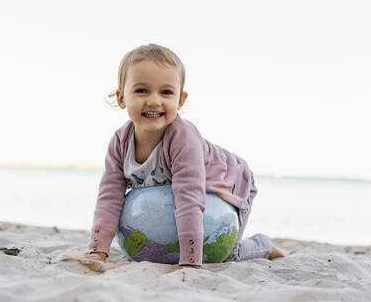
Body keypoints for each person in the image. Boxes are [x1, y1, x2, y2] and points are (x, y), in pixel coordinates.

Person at [84, 43, 284, 270]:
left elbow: (189, 197)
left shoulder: (182, 138)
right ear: (121, 98)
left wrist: (190, 261)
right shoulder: (120, 142)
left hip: (231, 183)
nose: (154, 101)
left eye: (166, 92)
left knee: (223, 254)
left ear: (180, 100)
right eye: (141, 90)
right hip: (194, 192)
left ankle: (264, 245)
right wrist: (98, 251)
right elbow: (109, 197)